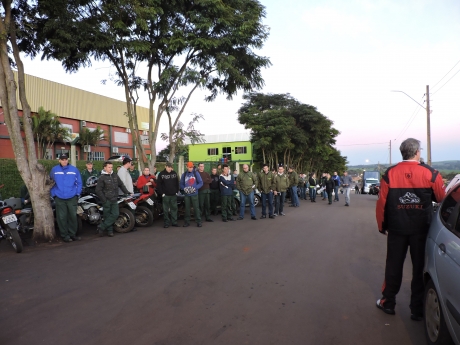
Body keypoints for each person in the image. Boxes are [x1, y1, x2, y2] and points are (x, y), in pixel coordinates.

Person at [375, 138, 445, 321]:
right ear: (417, 152)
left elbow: (382, 202)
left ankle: (388, 303)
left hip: (397, 229)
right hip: (422, 230)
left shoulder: (390, 174)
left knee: (393, 266)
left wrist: (382, 226)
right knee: (419, 268)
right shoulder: (430, 173)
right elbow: (441, 198)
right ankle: (417, 310)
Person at [50, 153, 83, 242]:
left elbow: (79, 183)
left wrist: (77, 194)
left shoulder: (74, 170)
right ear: (59, 160)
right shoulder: (54, 170)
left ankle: (72, 234)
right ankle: (65, 236)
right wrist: (54, 195)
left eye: (66, 159)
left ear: (67, 160)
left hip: (72, 197)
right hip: (59, 197)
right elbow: (50, 183)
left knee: (72, 216)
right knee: (61, 217)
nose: (64, 161)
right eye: (62, 159)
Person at [95, 161, 131, 237]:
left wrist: (127, 192)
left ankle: (101, 226)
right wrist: (104, 199)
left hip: (114, 199)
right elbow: (98, 190)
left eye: (111, 167)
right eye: (109, 167)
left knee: (115, 214)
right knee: (107, 216)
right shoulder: (102, 177)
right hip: (106, 200)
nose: (111, 169)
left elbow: (121, 184)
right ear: (105, 168)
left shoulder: (115, 175)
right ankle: (110, 231)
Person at [180, 161, 203, 227]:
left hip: (194, 194)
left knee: (196, 208)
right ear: (186, 167)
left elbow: (201, 183)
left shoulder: (196, 173)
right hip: (187, 194)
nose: (191, 168)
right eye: (189, 167)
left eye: (192, 167)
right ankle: (187, 221)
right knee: (187, 209)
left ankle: (199, 221)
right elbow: (181, 184)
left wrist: (195, 188)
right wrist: (184, 188)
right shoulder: (184, 174)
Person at [157, 163, 180, 228]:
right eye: (168, 167)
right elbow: (159, 184)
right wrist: (162, 193)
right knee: (165, 210)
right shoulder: (161, 174)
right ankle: (166, 223)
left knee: (174, 209)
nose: (169, 168)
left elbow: (177, 182)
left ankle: (174, 222)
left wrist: (176, 191)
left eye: (170, 167)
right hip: (165, 195)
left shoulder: (174, 173)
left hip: (173, 195)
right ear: (165, 167)